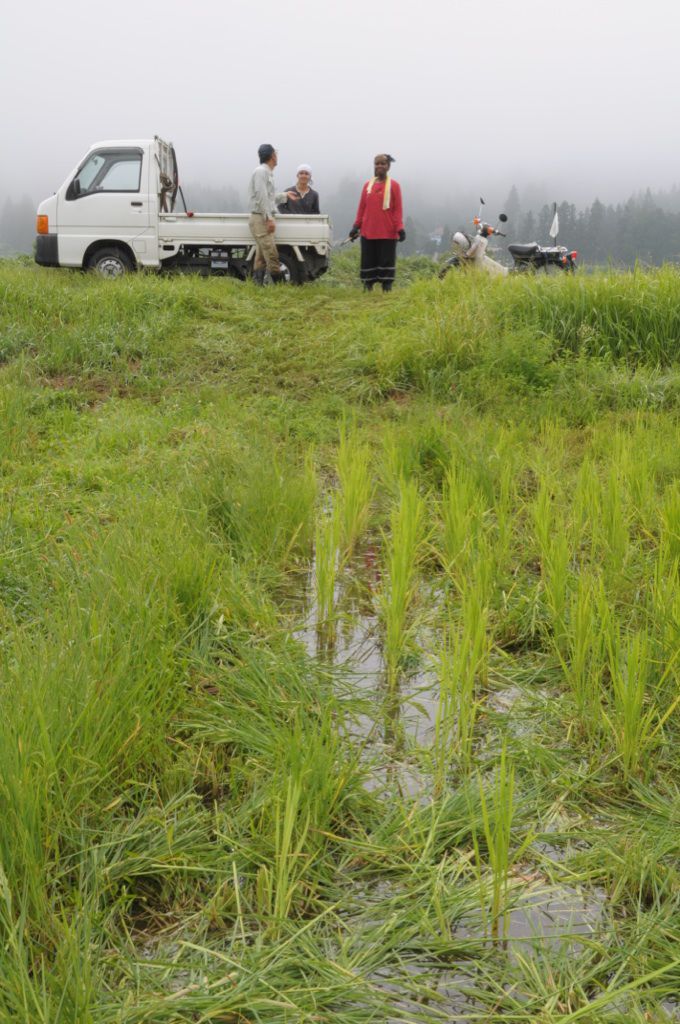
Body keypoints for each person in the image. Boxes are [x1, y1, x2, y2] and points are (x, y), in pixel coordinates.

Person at [348, 154, 405, 292]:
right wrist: (356, 226)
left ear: (388, 166)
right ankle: (368, 286)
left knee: (386, 259)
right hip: (368, 230)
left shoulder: (395, 186)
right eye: (377, 163)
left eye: (383, 164)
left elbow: (397, 209)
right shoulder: (368, 186)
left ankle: (387, 287)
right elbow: (362, 207)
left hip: (387, 231)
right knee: (368, 259)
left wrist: (400, 228)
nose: (379, 166)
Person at [248, 144, 298, 284]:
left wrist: (285, 195)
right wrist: (269, 218)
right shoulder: (261, 172)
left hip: (261, 217)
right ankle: (280, 284)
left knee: (261, 256)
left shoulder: (266, 172)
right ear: (272, 156)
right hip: (260, 218)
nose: (277, 157)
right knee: (271, 253)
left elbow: (268, 197)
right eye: (276, 154)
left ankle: (257, 285)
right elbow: (261, 196)